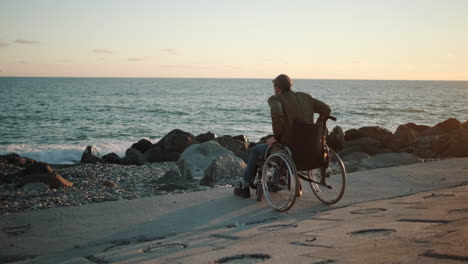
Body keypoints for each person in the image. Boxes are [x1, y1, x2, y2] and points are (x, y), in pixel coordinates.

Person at [234, 74, 331, 198]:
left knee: (257, 150)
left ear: (277, 88)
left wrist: (277, 137)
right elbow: (326, 109)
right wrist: (317, 127)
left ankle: (244, 186)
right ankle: (284, 178)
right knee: (277, 147)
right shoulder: (306, 98)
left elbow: (278, 114)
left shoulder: (276, 99)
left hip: (290, 149)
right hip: (311, 149)